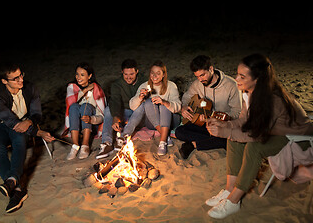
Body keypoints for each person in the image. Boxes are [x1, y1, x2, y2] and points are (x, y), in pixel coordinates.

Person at [204, 53, 313, 219]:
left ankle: (234, 201)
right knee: (233, 140)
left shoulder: (272, 99)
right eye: (237, 74)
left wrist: (226, 131)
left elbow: (256, 135)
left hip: (298, 139)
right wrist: (225, 125)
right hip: (276, 131)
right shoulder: (252, 92)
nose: (237, 79)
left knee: (254, 148)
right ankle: (228, 190)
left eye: (242, 76)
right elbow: (244, 120)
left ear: (257, 79)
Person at [0, 62, 55, 213]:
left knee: (19, 140)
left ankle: (12, 184)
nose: (20, 80)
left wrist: (31, 122)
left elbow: (37, 114)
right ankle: (16, 188)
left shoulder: (30, 88)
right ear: (4, 81)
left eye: (21, 75)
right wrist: (37, 132)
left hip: (22, 123)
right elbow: (12, 123)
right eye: (15, 78)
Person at [175, 55, 242, 159]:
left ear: (211, 69)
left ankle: (193, 144)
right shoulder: (198, 84)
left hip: (224, 124)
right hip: (204, 123)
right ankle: (214, 142)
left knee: (231, 137)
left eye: (202, 75)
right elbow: (186, 97)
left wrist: (220, 120)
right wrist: (183, 107)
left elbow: (237, 112)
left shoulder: (231, 85)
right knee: (179, 131)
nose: (200, 79)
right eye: (197, 76)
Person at [120, 60, 182, 156]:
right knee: (148, 102)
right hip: (153, 122)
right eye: (152, 73)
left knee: (163, 106)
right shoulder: (144, 86)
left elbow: (178, 107)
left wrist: (164, 102)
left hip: (171, 121)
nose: (154, 76)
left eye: (158, 74)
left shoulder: (171, 85)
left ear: (163, 75)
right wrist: (140, 97)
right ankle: (165, 135)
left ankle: (162, 142)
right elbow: (133, 107)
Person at [96, 59, 145, 159]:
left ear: (137, 71)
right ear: (122, 72)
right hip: (125, 112)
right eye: (125, 74)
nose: (128, 77)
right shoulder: (117, 85)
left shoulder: (144, 81)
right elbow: (115, 101)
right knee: (108, 109)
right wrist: (116, 117)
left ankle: (123, 137)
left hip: (139, 114)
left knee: (143, 106)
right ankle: (107, 143)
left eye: (131, 74)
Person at [63, 62, 106, 160]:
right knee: (73, 106)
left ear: (89, 76)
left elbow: (102, 116)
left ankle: (85, 145)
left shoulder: (96, 89)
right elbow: (70, 101)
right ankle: (75, 145)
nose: (78, 77)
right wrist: (85, 90)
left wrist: (91, 119)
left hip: (92, 124)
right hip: (76, 123)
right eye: (77, 74)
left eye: (82, 75)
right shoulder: (72, 87)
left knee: (85, 107)